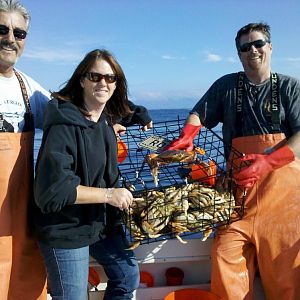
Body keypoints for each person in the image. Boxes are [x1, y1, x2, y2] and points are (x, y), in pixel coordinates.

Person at [166, 22, 300, 300]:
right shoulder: (226, 86)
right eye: (245, 46)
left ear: (270, 47)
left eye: (259, 43)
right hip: (236, 200)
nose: (253, 50)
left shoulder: (290, 87)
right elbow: (198, 114)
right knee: (224, 260)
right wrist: (188, 135)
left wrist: (268, 162)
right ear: (239, 54)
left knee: (288, 281)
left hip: (284, 206)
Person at [33, 49, 141, 300]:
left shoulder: (103, 121)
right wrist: (110, 194)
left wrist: (139, 115)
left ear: (117, 84)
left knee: (128, 276)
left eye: (110, 78)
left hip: (98, 223)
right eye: (95, 76)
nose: (103, 82)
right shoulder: (63, 124)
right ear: (82, 80)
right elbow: (54, 191)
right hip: (65, 228)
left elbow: (126, 112)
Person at [0, 0, 50, 299]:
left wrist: (121, 117)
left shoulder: (28, 87)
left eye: (19, 33)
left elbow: (72, 117)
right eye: (1, 29)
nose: (10, 39)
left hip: (20, 218)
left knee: (25, 284)